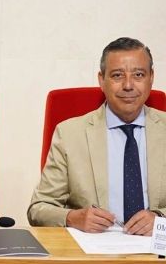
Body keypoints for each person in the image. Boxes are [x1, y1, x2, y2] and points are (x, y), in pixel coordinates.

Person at [28, 37, 166, 236]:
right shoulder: (69, 134)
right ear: (102, 80)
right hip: (94, 248)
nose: (128, 85)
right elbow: (38, 208)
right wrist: (72, 218)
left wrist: (161, 220)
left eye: (138, 75)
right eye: (117, 75)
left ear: (151, 78)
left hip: (156, 248)